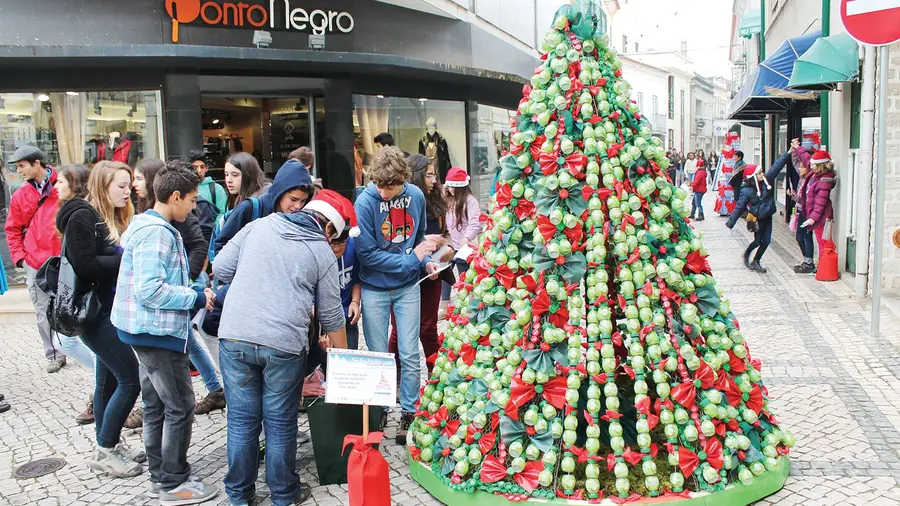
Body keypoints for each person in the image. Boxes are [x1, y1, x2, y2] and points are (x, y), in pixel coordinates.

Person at [213, 190, 351, 506]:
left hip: (235, 335)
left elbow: (220, 268)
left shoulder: (259, 225)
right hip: (284, 345)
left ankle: (238, 495)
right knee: (279, 421)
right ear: (328, 229)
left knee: (242, 419)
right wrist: (344, 360)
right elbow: (331, 315)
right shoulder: (321, 251)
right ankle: (283, 494)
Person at [111, 161, 219, 505]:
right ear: (174, 196)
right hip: (155, 333)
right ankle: (173, 481)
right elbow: (150, 290)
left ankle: (161, 474)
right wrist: (195, 295)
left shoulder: (146, 225)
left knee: (156, 403)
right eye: (190, 199)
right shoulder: (158, 232)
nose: (193, 207)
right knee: (180, 404)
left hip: (143, 331)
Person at [57, 160, 145, 477]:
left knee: (106, 380)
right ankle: (107, 449)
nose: (127, 190)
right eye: (120, 185)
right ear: (102, 185)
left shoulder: (102, 216)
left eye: (128, 184)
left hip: (105, 310)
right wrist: (122, 258)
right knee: (130, 379)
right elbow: (86, 266)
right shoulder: (83, 216)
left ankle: (107, 445)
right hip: (92, 315)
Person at [354, 146, 439, 442]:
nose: (384, 192)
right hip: (375, 288)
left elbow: (418, 238)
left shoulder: (415, 196)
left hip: (407, 287)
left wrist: (426, 260)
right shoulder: (365, 201)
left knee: (409, 352)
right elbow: (367, 255)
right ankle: (379, 409)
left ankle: (409, 411)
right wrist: (412, 259)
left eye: (390, 186)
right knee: (379, 356)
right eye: (379, 185)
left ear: (402, 179)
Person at [134, 159, 226, 417]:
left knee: (177, 405)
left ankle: (215, 388)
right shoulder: (147, 219)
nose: (134, 184)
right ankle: (213, 388)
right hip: (165, 302)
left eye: (139, 178)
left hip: (176, 293)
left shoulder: (176, 218)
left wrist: (189, 286)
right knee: (186, 339)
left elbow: (198, 246)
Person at [387, 155, 451, 424]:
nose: (433, 179)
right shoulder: (405, 204)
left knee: (428, 328)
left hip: (434, 272)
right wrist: (424, 245)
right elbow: (398, 239)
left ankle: (435, 378)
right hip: (407, 274)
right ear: (415, 175)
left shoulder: (437, 200)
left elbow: (448, 237)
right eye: (428, 175)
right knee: (400, 331)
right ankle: (392, 381)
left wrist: (444, 251)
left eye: (434, 175)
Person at [4, 146, 65, 373]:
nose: (19, 171)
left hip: (62, 259)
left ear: (36, 163)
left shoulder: (62, 186)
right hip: (35, 262)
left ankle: (80, 348)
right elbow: (12, 229)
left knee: (72, 304)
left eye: (22, 166)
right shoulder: (20, 195)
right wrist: (20, 259)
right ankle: (54, 355)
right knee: (43, 310)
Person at [54, 164, 103, 425]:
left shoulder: (82, 214)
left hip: (83, 291)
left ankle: (101, 393)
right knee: (65, 342)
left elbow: (87, 260)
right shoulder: (68, 211)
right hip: (69, 286)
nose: (55, 185)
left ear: (75, 183)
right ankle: (104, 387)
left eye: (60, 181)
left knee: (71, 342)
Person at [726, 150, 791, 273]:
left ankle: (756, 261)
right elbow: (739, 207)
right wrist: (731, 222)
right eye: (759, 173)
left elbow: (777, 166)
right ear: (753, 176)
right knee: (757, 241)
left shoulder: (766, 182)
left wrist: (788, 153)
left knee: (766, 241)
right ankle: (747, 254)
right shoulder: (746, 191)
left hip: (768, 216)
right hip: (757, 218)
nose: (762, 174)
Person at [441, 167, 482, 315]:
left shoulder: (470, 201)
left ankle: (467, 304)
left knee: (465, 275)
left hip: (465, 246)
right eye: (449, 186)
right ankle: (444, 304)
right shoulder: (447, 200)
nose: (450, 189)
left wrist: (466, 238)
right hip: (450, 244)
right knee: (445, 272)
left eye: (453, 187)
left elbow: (475, 222)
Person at [801, 150, 837, 262]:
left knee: (824, 242)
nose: (810, 167)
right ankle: (824, 266)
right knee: (821, 241)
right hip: (816, 216)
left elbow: (821, 202)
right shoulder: (815, 174)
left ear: (820, 165)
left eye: (813, 165)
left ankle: (826, 268)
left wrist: (812, 218)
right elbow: (807, 159)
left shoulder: (824, 180)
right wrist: (799, 149)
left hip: (822, 217)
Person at [789, 139, 816, 273]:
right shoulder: (802, 178)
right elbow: (796, 163)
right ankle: (807, 261)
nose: (799, 168)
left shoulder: (811, 178)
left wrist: (798, 148)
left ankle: (809, 263)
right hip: (800, 209)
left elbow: (806, 162)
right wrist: (794, 151)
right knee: (800, 237)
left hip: (807, 211)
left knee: (805, 236)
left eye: (802, 166)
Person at [190, 151, 227, 216]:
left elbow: (223, 213)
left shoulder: (217, 189)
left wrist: (214, 226)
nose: (199, 170)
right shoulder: (185, 188)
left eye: (202, 167)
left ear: (206, 168)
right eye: (195, 167)